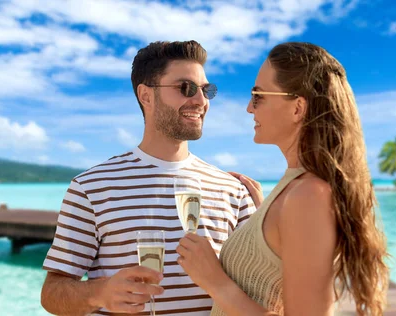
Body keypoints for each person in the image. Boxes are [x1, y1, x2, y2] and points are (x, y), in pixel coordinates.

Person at [40, 40, 256, 316]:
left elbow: (259, 289)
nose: (201, 101)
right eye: (186, 88)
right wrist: (99, 293)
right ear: (146, 96)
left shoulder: (232, 190)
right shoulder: (91, 188)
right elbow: (52, 293)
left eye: (207, 90)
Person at [175, 42, 390, 316]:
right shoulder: (293, 191)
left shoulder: (308, 195)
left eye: (257, 96)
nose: (249, 108)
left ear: (298, 108)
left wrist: (215, 282)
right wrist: (264, 218)